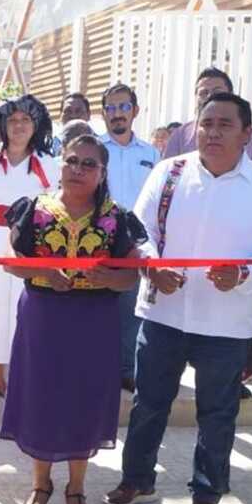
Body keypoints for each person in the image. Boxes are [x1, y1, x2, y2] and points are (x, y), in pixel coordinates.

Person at [105, 92, 252, 504]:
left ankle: (207, 494)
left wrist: (245, 273)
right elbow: (140, 229)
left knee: (217, 413)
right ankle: (137, 480)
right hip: (163, 315)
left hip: (226, 325)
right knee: (149, 405)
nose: (212, 132)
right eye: (206, 123)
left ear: (247, 134)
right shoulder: (168, 172)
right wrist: (152, 266)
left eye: (225, 125)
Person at [0, 134, 145, 504]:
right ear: (60, 164)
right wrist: (44, 271)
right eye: (71, 161)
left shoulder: (118, 218)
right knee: (42, 395)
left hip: (93, 319)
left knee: (84, 397)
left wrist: (109, 276)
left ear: (102, 172)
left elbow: (131, 279)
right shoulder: (34, 209)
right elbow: (12, 265)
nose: (78, 170)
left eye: (88, 164)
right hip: (43, 317)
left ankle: (76, 488)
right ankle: (40, 485)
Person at [0, 95, 60, 396]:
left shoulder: (49, 164)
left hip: (27, 245)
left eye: (25, 119)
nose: (18, 125)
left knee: (18, 308)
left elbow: (54, 208)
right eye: (12, 119)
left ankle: (5, 373)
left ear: (35, 124)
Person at [99, 83, 159, 393]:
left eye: (124, 107)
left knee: (131, 307)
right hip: (98, 238)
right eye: (111, 108)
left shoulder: (151, 154)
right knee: (97, 307)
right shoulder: (95, 149)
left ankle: (127, 369)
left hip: (135, 242)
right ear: (103, 113)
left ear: (135, 111)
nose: (117, 114)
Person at [162, 67, 252, 168]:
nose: (210, 97)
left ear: (231, 95)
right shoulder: (180, 135)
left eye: (217, 91)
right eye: (203, 93)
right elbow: (169, 178)